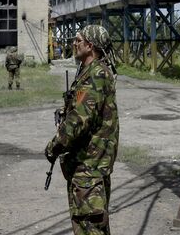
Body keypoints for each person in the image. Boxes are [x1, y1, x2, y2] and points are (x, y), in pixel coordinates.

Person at [45, 25, 119, 235]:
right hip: (92, 167)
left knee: (89, 228)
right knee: (95, 227)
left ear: (90, 45)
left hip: (89, 169)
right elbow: (85, 109)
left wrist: (53, 147)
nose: (74, 44)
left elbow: (78, 121)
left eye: (78, 40)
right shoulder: (93, 72)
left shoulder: (95, 75)